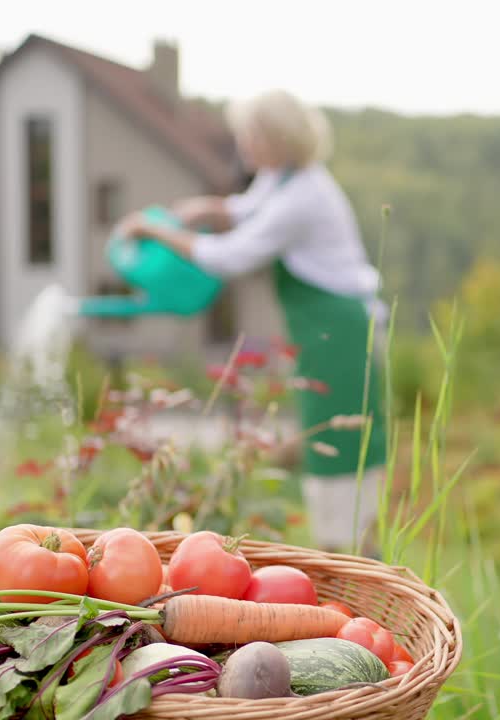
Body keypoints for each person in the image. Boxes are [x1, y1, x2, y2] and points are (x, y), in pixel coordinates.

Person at [113, 89, 388, 555]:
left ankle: (355, 559)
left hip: (341, 331)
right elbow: (244, 209)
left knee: (342, 449)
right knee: (328, 440)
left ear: (274, 138)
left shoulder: (302, 196)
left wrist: (155, 229)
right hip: (325, 330)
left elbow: (229, 256)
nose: (243, 143)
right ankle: (344, 554)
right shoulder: (285, 178)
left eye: (249, 135)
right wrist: (206, 208)